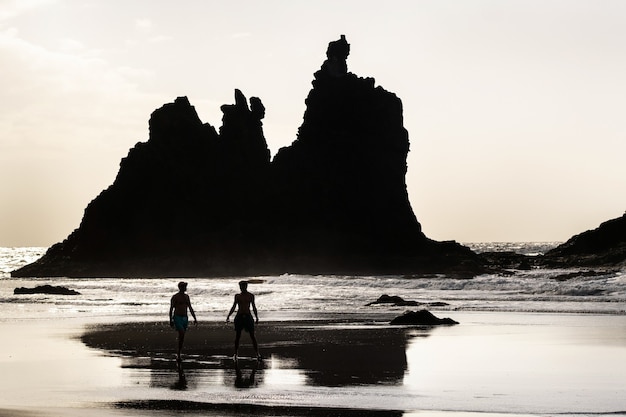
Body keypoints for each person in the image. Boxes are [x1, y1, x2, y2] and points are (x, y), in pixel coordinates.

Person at [226, 280, 260, 360]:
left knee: (252, 335)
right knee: (238, 336)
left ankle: (257, 353)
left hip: (248, 316)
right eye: (240, 287)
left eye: (243, 286)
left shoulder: (250, 296)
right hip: (239, 316)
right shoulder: (237, 296)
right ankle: (235, 354)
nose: (242, 288)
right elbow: (234, 306)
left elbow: (254, 307)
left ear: (246, 287)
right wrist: (229, 315)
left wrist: (256, 317)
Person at [169, 281, 197, 362]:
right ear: (180, 288)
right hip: (177, 317)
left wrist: (194, 318)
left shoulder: (186, 297)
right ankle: (178, 354)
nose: (185, 288)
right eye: (184, 287)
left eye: (185, 287)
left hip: (185, 317)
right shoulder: (175, 297)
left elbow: (190, 307)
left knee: (182, 336)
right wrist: (170, 319)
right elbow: (171, 309)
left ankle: (179, 352)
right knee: (181, 333)